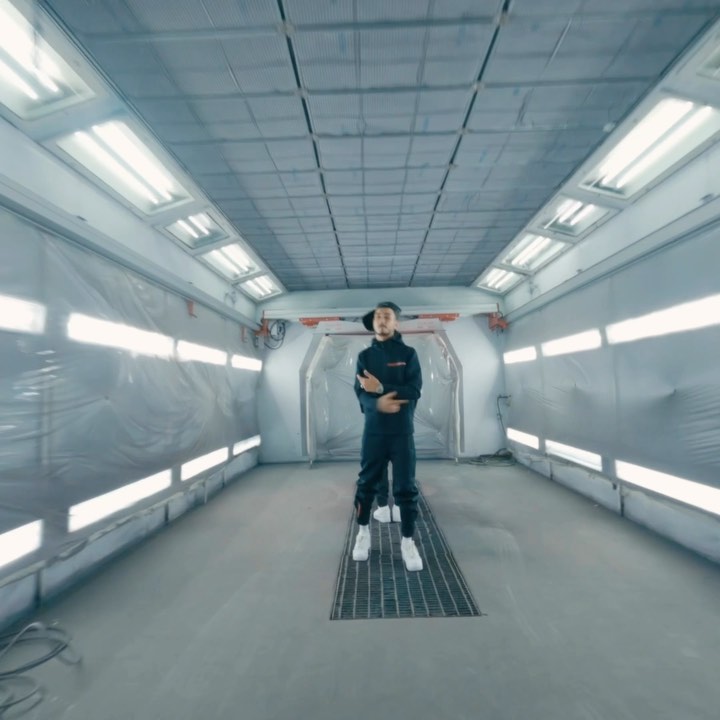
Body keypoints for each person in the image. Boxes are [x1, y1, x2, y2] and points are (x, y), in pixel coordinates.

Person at [351, 301, 423, 571]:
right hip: (374, 432)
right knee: (366, 484)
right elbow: (360, 393)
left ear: (395, 323)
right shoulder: (365, 357)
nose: (381, 320)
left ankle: (408, 541)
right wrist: (376, 403)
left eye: (387, 316)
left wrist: (381, 388)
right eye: (378, 316)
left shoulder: (408, 354)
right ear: (373, 323)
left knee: (406, 488)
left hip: (401, 432)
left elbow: (414, 390)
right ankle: (363, 533)